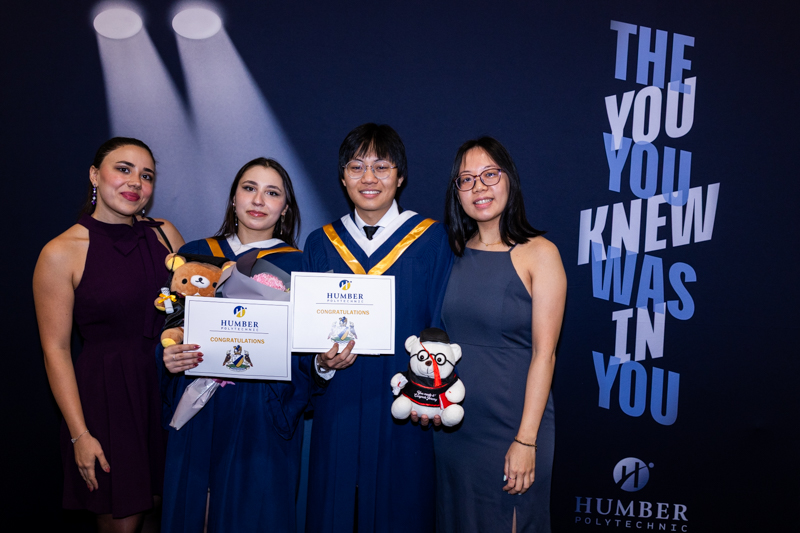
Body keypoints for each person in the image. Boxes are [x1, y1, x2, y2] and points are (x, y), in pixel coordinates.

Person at [159, 157, 354, 533]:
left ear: (285, 207)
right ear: (234, 198)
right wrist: (167, 356)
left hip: (262, 413)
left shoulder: (301, 266)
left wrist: (322, 364)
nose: (259, 199)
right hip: (199, 406)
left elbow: (305, 360)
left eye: (272, 192)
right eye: (249, 188)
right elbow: (170, 328)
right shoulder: (198, 254)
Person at [302, 123, 454, 533]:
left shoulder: (431, 238)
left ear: (400, 176)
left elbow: (440, 324)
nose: (369, 178)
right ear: (342, 177)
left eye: (382, 167)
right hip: (339, 403)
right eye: (357, 167)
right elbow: (304, 339)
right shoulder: (320, 243)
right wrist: (321, 364)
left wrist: (431, 391)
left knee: (401, 510)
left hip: (403, 405)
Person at [33, 137, 184, 532]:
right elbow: (56, 350)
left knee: (165, 517)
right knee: (123, 522)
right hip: (108, 403)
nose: (135, 181)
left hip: (169, 395)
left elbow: (197, 308)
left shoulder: (165, 234)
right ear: (94, 175)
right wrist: (80, 435)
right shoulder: (61, 252)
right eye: (123, 168)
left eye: (146, 175)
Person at [435, 137, 566, 532]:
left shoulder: (541, 253)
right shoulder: (451, 253)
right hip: (455, 429)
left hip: (514, 425)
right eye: (467, 179)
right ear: (456, 193)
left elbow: (546, 355)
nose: (479, 187)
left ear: (509, 180)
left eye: (490, 175)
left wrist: (526, 440)